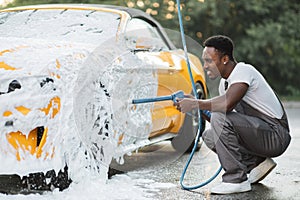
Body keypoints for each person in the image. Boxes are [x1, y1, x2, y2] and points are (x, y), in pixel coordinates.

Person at [175, 35, 291, 194]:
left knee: (220, 116)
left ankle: (236, 180)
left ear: (224, 59)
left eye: (209, 61)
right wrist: (197, 107)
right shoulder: (225, 84)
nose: (205, 66)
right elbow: (225, 125)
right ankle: (256, 163)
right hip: (260, 134)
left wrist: (196, 103)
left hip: (276, 135)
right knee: (210, 135)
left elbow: (226, 106)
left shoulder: (243, 71)